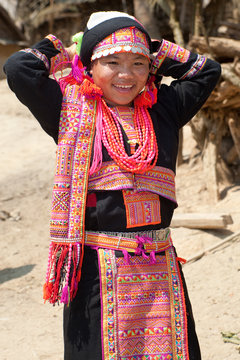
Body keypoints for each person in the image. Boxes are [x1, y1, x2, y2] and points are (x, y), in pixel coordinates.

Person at [4, 10, 221, 360]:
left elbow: (207, 71)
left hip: (160, 267)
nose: (126, 75)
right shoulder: (69, 110)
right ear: (89, 66)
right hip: (97, 270)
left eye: (138, 63)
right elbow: (19, 69)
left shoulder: (164, 108)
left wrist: (150, 46)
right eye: (112, 62)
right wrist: (66, 48)